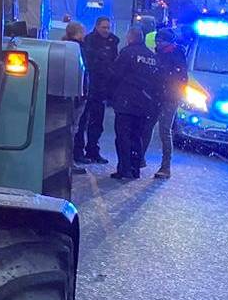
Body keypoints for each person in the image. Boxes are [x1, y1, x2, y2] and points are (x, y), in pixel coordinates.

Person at [109, 26, 162, 180]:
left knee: (123, 137)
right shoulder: (152, 57)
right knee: (137, 136)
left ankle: (124, 169)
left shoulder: (127, 53)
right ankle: (135, 168)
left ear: (130, 37)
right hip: (144, 104)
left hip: (126, 102)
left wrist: (112, 95)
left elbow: (116, 74)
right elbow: (157, 81)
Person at [75, 17, 118, 164]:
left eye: (108, 28)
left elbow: (113, 64)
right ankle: (79, 151)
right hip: (89, 87)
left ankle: (93, 150)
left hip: (101, 89)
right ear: (97, 27)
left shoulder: (112, 42)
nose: (106, 30)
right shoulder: (89, 41)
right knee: (82, 122)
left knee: (97, 123)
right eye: (104, 27)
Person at [149, 26, 189, 179]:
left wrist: (170, 90)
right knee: (149, 128)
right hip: (158, 96)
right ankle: (139, 160)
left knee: (164, 131)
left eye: (161, 41)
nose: (158, 44)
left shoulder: (176, 55)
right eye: (157, 41)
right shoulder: (160, 54)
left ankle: (166, 167)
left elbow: (180, 78)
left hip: (169, 98)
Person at [63, 21, 89, 171]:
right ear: (78, 33)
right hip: (77, 95)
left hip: (69, 94)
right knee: (73, 129)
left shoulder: (65, 47)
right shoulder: (78, 49)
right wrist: (83, 93)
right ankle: (69, 161)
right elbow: (82, 73)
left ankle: (67, 160)